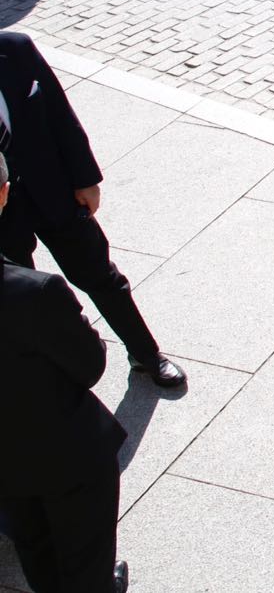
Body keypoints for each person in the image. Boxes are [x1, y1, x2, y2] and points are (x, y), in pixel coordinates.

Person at [1, 28, 188, 393]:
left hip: (53, 191)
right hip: (2, 212)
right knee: (23, 299)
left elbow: (60, 114)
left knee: (102, 276)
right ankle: (50, 376)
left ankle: (145, 354)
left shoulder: (15, 50)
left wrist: (85, 178)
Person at [0, 154, 132, 593]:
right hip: (66, 458)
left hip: (9, 466)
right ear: (3, 195)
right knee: (86, 562)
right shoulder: (35, 292)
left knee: (37, 554)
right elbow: (91, 365)